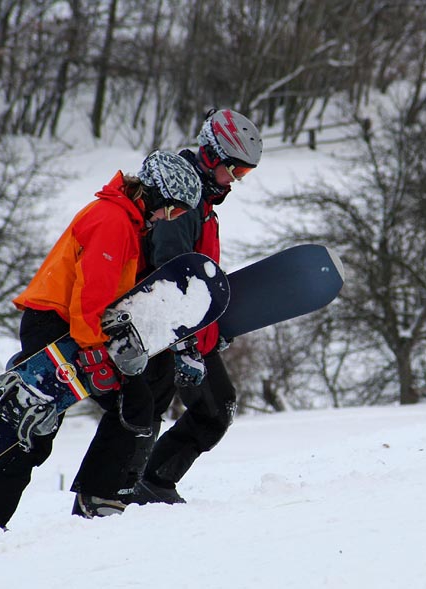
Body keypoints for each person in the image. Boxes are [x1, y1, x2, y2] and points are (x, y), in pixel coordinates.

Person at [0, 151, 202, 538]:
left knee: (135, 403)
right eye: (171, 212)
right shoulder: (113, 221)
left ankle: (99, 498)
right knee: (36, 425)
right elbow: (91, 294)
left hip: (78, 327)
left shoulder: (129, 221)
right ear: (155, 196)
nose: (167, 220)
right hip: (57, 326)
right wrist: (94, 351)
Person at [119, 108, 263, 506]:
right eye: (235, 171)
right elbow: (171, 271)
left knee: (216, 408)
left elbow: (200, 274)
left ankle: (152, 482)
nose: (236, 182)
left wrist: (214, 328)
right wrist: (184, 344)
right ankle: (120, 492)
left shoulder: (203, 201)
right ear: (212, 156)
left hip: (188, 329)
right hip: (160, 327)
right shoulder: (180, 198)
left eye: (244, 175)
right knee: (149, 411)